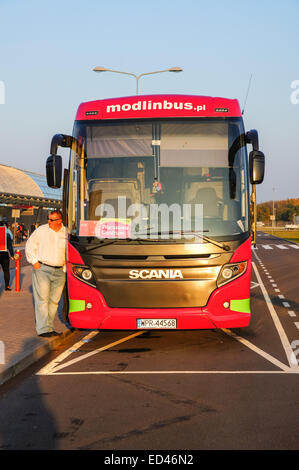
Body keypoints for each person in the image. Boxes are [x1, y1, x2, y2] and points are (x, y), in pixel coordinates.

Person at [25, 210, 67, 337]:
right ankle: (43, 329)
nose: (48, 222)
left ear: (60, 220)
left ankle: (49, 327)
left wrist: (65, 268)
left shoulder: (66, 232)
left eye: (52, 220)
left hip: (60, 271)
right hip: (43, 269)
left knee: (54, 301)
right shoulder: (41, 230)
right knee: (42, 300)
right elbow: (29, 245)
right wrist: (34, 262)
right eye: (48, 219)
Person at [0, 222, 14, 291]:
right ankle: (7, 286)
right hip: (4, 254)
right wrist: (12, 255)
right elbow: (10, 246)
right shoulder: (7, 234)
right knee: (6, 271)